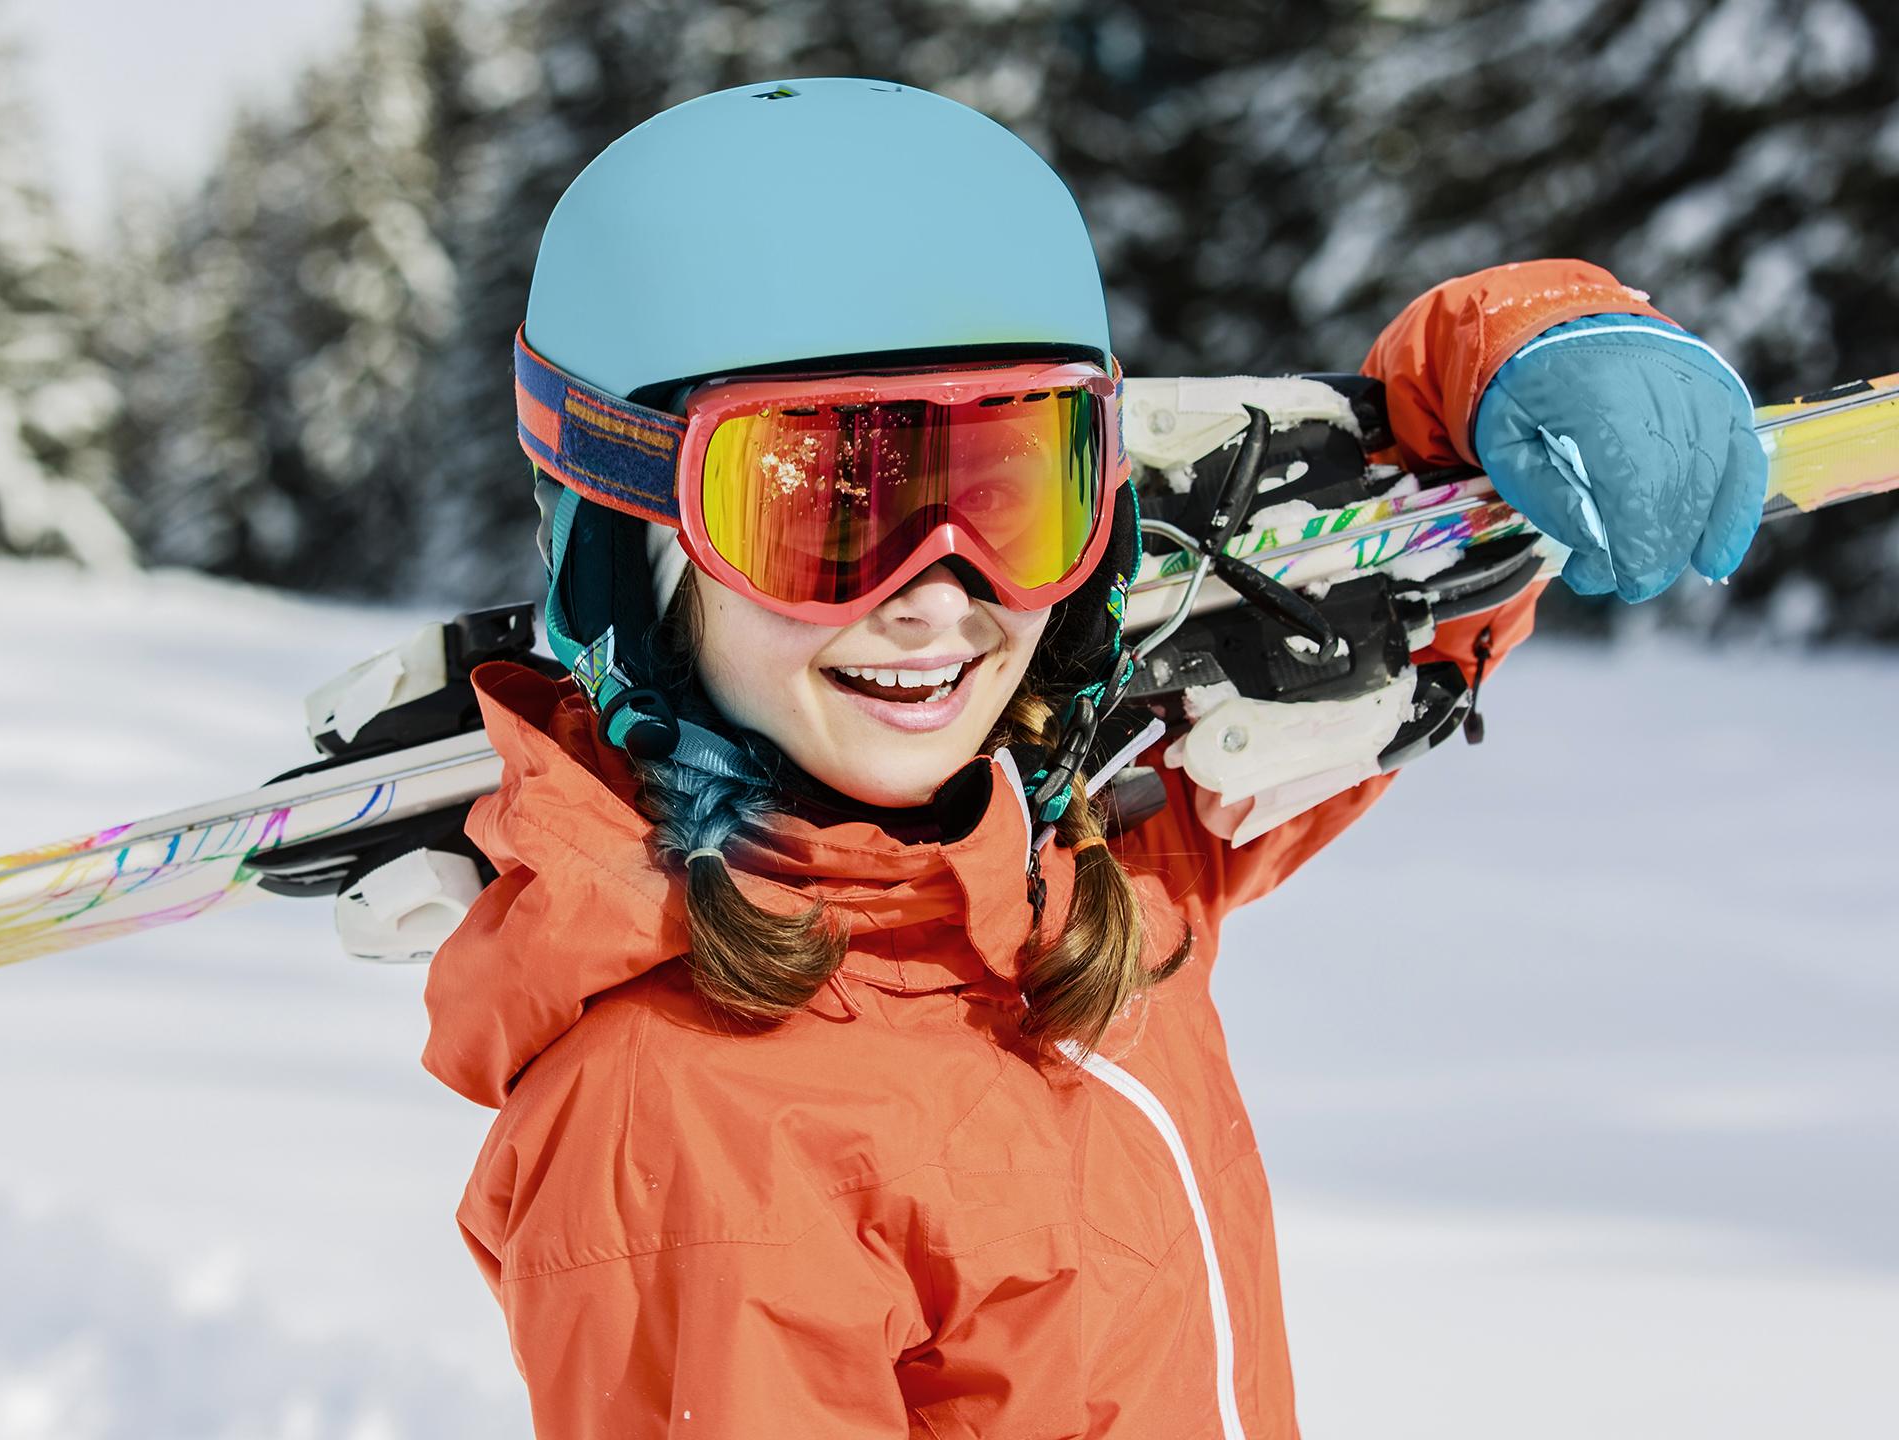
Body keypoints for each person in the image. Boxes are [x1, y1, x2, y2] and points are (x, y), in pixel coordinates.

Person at [421, 78, 1765, 1438]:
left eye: (1010, 488)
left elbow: (1390, 629)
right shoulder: (683, 1131)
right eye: (822, 509)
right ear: (629, 556)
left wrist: (1527, 348)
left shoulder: (1075, 859)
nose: (941, 596)